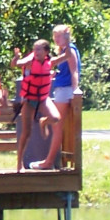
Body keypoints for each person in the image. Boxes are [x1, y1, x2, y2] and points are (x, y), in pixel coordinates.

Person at [29, 25, 81, 170]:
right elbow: (63, 71)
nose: (56, 39)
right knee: (58, 126)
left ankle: (48, 162)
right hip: (60, 88)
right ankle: (49, 160)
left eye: (59, 36)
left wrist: (75, 90)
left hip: (66, 90)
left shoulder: (70, 50)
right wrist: (54, 75)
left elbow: (74, 71)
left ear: (66, 36)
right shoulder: (63, 51)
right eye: (55, 36)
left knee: (57, 128)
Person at [11, 39, 65, 172]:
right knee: (26, 132)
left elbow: (67, 56)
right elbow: (16, 64)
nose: (36, 52)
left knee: (56, 118)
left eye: (39, 49)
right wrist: (16, 57)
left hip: (42, 98)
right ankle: (19, 163)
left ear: (46, 51)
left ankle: (43, 122)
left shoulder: (50, 62)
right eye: (35, 49)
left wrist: (67, 42)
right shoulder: (30, 61)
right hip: (29, 99)